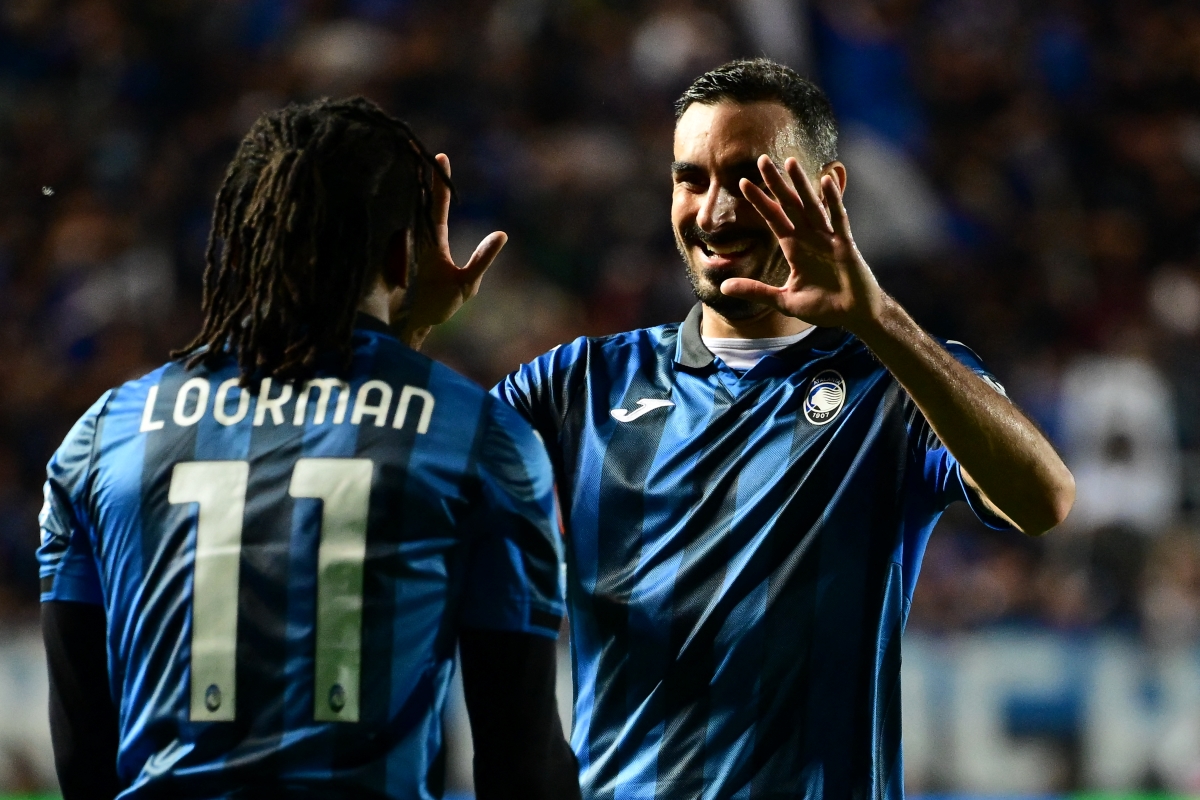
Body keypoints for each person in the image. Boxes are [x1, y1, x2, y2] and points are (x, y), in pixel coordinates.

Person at [485, 60, 1076, 798]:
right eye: (690, 178)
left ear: (826, 191)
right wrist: (393, 342)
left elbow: (1043, 500)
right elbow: (422, 504)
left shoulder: (895, 382)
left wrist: (878, 318)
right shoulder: (574, 386)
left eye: (748, 178)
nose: (715, 209)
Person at [37, 97, 580, 800]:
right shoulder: (483, 441)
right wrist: (406, 335)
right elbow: (521, 763)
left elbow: (84, 760)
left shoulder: (101, 437)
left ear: (237, 243)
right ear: (400, 255)